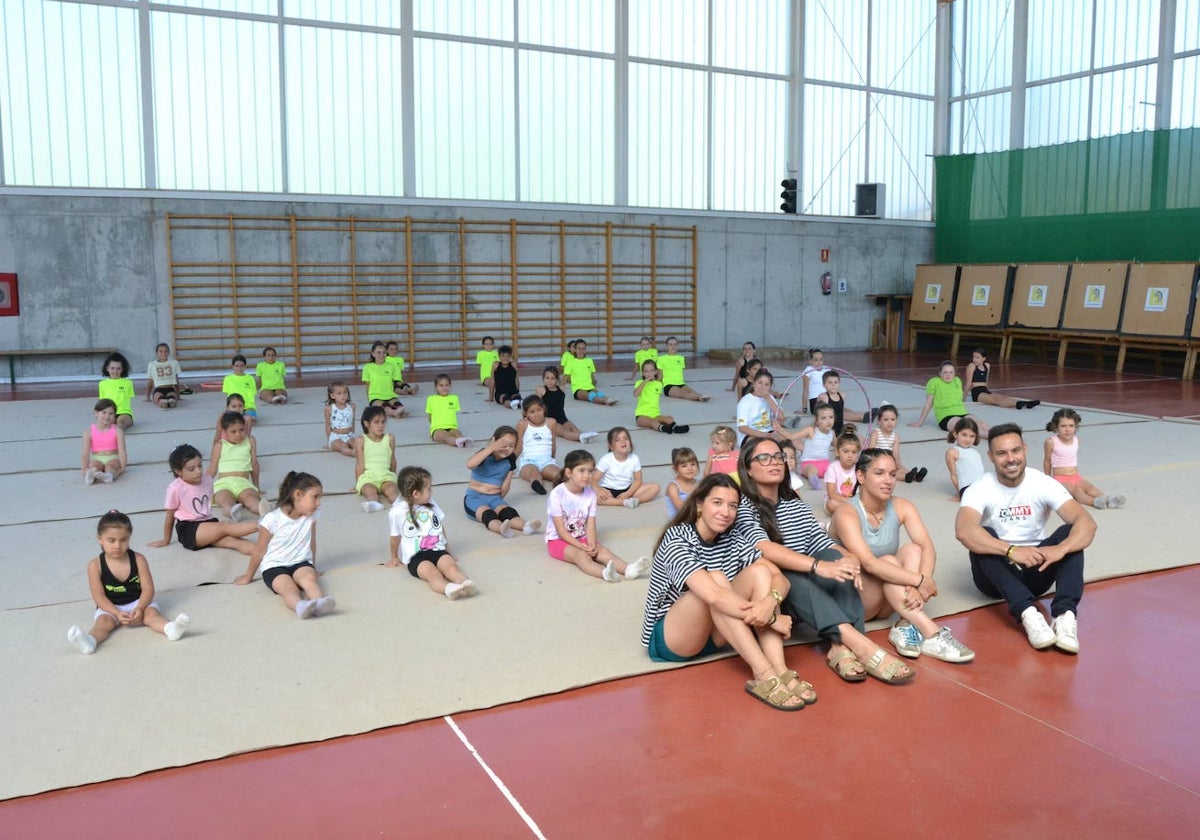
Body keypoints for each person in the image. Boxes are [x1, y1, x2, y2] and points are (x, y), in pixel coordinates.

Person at [733, 437, 916, 685]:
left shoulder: (793, 504)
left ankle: (839, 647)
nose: (774, 463)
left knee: (836, 558)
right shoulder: (742, 506)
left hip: (807, 596)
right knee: (791, 572)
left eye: (778, 457)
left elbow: (820, 540)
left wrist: (847, 558)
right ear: (747, 468)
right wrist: (819, 566)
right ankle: (860, 644)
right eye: (763, 458)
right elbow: (765, 549)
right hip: (773, 597)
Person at [642, 473, 813, 711]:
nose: (726, 512)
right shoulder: (677, 538)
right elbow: (712, 595)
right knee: (716, 578)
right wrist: (772, 619)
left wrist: (769, 602)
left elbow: (780, 579)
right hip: (674, 639)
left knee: (761, 573)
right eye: (717, 503)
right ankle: (763, 673)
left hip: (718, 633)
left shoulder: (732, 538)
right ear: (699, 504)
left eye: (733, 506)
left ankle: (779, 668)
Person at [955, 423, 1096, 653]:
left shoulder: (1043, 483)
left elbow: (1087, 523)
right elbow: (964, 530)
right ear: (991, 457)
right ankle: (1029, 614)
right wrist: (1011, 550)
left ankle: (1064, 616)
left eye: (1015, 451)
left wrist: (1061, 549)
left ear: (1025, 450)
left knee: (1070, 533)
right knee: (982, 537)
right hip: (996, 576)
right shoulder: (980, 488)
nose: (1011, 459)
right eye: (1002, 453)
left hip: (1036, 569)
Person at [829, 449, 975, 663]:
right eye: (879, 473)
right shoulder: (846, 513)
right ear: (860, 476)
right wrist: (921, 581)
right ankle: (931, 632)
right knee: (887, 561)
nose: (888, 480)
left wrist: (919, 588)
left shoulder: (902, 505)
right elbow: (869, 564)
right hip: (858, 600)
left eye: (892, 474)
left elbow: (927, 547)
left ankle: (905, 624)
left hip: (892, 597)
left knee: (913, 550)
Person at [67, 510, 191, 655]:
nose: (118, 545)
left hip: (138, 602)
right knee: (103, 623)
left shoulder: (139, 559)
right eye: (111, 540)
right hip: (111, 606)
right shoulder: (95, 566)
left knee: (151, 615)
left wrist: (140, 607)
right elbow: (99, 597)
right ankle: (90, 641)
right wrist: (115, 612)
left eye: (123, 540)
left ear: (130, 538)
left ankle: (170, 629)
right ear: (100, 539)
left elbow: (148, 588)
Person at [235, 471, 336, 620]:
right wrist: (248, 576)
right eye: (315, 497)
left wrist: (312, 565)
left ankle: (319, 602)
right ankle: (299, 606)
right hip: (274, 567)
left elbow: (312, 541)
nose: (319, 503)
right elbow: (259, 550)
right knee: (288, 587)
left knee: (309, 579)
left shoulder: (311, 516)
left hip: (300, 562)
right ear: (298, 494)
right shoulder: (272, 519)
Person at [546, 449, 651, 581]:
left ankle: (628, 569)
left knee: (604, 551)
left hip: (581, 537)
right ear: (568, 472)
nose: (587, 475)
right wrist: (582, 547)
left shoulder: (590, 494)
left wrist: (591, 544)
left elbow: (590, 525)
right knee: (581, 556)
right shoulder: (557, 494)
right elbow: (561, 531)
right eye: (581, 470)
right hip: (558, 541)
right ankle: (605, 574)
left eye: (590, 471)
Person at [147, 444, 258, 555]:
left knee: (234, 542)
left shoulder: (207, 480)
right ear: (178, 471)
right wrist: (166, 540)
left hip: (208, 523)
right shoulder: (175, 488)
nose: (198, 471)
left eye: (200, 466)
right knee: (225, 526)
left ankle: (267, 554)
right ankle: (264, 524)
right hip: (189, 529)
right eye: (192, 469)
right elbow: (170, 516)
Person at [388, 466, 476, 599]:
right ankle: (448, 588)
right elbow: (395, 537)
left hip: (437, 550)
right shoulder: (397, 512)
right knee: (433, 574)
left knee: (451, 568)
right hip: (416, 557)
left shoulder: (431, 504)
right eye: (428, 488)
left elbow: (439, 528)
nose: (432, 491)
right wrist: (394, 558)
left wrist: (447, 550)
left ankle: (465, 583)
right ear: (416, 494)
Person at [465, 426, 542, 537]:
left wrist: (508, 477)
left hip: (495, 498)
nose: (507, 448)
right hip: (474, 498)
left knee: (506, 512)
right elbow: (470, 464)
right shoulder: (484, 455)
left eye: (511, 446)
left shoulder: (509, 461)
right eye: (503, 444)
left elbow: (505, 487)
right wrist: (491, 448)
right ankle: (501, 529)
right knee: (488, 514)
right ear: (494, 440)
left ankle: (526, 526)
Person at [1043, 408, 1127, 509]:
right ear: (1056, 427)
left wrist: (1076, 478)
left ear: (1076, 427)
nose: (1067, 429)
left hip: (1075, 476)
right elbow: (1047, 461)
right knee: (1077, 491)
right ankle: (1095, 502)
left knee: (1091, 488)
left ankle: (1111, 501)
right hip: (1060, 479)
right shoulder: (1051, 442)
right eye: (1063, 426)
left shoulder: (1076, 440)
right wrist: (1047, 480)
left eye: (1071, 426)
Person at [209, 411, 268, 521]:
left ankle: (264, 511)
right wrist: (201, 488)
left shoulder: (250, 441)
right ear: (224, 432)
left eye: (241, 430)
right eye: (233, 431)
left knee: (251, 499)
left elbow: (254, 464)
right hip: (224, 483)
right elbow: (212, 469)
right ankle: (232, 511)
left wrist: (257, 487)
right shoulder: (220, 445)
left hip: (243, 483)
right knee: (225, 500)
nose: (238, 434)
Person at [909, 360, 990, 438]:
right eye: (945, 372)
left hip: (962, 412)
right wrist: (919, 423)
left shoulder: (957, 380)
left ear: (954, 373)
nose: (948, 375)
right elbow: (928, 404)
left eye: (951, 372)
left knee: (980, 423)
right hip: (946, 416)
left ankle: (997, 434)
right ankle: (991, 436)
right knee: (966, 427)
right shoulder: (934, 382)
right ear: (940, 373)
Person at [593, 426, 660, 508]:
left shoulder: (634, 458)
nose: (623, 441)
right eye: (617, 440)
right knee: (594, 497)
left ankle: (636, 500)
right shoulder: (606, 459)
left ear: (630, 442)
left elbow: (638, 480)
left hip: (628, 489)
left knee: (655, 487)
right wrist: (599, 490)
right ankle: (623, 502)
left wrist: (628, 493)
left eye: (626, 438)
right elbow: (594, 479)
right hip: (608, 490)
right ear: (611, 446)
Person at [777, 403, 835, 491]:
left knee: (833, 469)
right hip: (809, 463)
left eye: (831, 417)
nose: (828, 421)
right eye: (824, 418)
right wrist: (779, 429)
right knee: (812, 471)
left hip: (825, 463)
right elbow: (792, 437)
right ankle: (815, 482)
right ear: (817, 420)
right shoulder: (811, 430)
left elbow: (837, 445)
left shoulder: (832, 432)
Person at [535, 366, 600, 443]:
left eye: (553, 378)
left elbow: (566, 377)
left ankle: (583, 435)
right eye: (547, 378)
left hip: (562, 418)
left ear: (557, 380)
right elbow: (535, 405)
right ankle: (580, 437)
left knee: (573, 428)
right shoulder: (541, 390)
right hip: (548, 419)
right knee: (563, 431)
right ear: (543, 379)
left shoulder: (561, 389)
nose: (549, 381)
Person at [354, 405, 399, 512]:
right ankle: (374, 504)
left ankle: (399, 504)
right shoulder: (361, 440)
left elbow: (392, 460)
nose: (380, 426)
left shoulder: (390, 438)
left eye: (383, 422)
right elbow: (359, 464)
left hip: (385, 475)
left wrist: (393, 477)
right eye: (376, 422)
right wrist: (358, 483)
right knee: (369, 490)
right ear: (367, 424)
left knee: (391, 490)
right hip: (368, 476)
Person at [867, 403, 926, 483]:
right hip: (877, 461)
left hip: (889, 460)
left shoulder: (895, 436)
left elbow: (896, 453)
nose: (889, 422)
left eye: (892, 419)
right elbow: (871, 451)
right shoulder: (876, 433)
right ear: (879, 421)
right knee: (890, 471)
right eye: (886, 420)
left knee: (900, 467)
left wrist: (898, 462)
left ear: (896, 420)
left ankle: (916, 476)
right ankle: (905, 477)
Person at [965, 348, 1040, 410]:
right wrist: (963, 399)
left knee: (1002, 397)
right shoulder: (972, 366)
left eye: (977, 357)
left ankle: (1026, 403)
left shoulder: (987, 365)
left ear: (984, 358)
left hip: (984, 390)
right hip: (977, 393)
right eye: (973, 357)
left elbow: (986, 381)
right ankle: (1017, 404)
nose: (974, 359)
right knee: (995, 400)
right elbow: (968, 383)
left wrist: (987, 391)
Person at [515, 395, 558, 495]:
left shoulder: (551, 422)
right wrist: (510, 464)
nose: (536, 414)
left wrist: (552, 461)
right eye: (532, 412)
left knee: (559, 474)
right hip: (528, 461)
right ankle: (537, 484)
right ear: (526, 414)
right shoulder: (522, 424)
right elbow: (519, 446)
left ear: (544, 409)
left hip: (547, 461)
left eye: (539, 410)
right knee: (534, 474)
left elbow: (553, 444)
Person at [634, 359, 690, 434]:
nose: (649, 373)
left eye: (651, 370)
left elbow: (660, 377)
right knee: (652, 422)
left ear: (655, 372)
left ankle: (675, 428)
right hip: (641, 416)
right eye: (646, 371)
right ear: (643, 373)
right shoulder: (639, 383)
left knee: (669, 418)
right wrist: (644, 382)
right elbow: (635, 394)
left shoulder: (658, 384)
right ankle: (663, 428)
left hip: (655, 415)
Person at [814, 370, 875, 434]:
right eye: (830, 382)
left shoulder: (842, 396)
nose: (833, 385)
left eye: (836, 382)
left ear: (839, 383)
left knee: (858, 438)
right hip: (829, 429)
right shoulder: (823, 397)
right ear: (824, 385)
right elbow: (817, 413)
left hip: (840, 427)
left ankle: (869, 414)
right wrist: (816, 427)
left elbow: (839, 410)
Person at [81, 398, 126, 485]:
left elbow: (122, 450)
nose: (107, 416)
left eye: (111, 413)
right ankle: (91, 475)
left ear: (114, 416)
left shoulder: (118, 431)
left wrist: (122, 467)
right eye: (104, 412)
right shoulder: (88, 432)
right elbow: (85, 452)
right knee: (94, 466)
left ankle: (109, 476)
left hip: (113, 457)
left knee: (110, 467)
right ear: (96, 413)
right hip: (97, 457)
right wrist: (84, 468)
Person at [735, 369, 784, 446]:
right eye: (760, 383)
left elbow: (781, 418)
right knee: (764, 444)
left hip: (769, 431)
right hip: (750, 434)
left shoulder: (770, 398)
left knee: (791, 440)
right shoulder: (745, 401)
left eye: (766, 384)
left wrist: (768, 399)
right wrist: (762, 435)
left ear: (770, 387)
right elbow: (742, 427)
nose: (762, 387)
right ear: (754, 383)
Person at [656, 336, 710, 402]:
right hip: (669, 386)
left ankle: (698, 396)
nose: (673, 346)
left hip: (681, 384)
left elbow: (679, 373)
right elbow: (660, 376)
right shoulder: (661, 359)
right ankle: (699, 397)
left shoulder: (681, 358)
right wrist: (656, 389)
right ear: (666, 346)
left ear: (678, 346)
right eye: (670, 344)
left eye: (675, 344)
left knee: (693, 392)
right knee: (683, 394)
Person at [822, 425, 861, 516]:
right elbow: (831, 494)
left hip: (854, 502)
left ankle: (852, 513)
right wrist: (851, 502)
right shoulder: (833, 468)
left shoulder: (859, 468)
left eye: (854, 452)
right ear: (837, 451)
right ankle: (854, 514)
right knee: (831, 504)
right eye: (846, 451)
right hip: (837, 501)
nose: (850, 455)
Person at [425, 373, 472, 448]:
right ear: (436, 387)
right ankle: (456, 442)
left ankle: (463, 440)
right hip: (437, 428)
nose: (444, 388)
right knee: (446, 436)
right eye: (441, 385)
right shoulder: (431, 399)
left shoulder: (454, 398)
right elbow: (430, 416)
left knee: (457, 433)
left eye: (447, 385)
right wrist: (433, 428)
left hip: (452, 427)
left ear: (450, 386)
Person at [363, 341, 408, 418]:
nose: (381, 355)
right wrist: (370, 400)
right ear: (373, 354)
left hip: (390, 396)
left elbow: (395, 382)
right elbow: (368, 385)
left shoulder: (391, 366)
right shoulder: (367, 367)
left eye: (383, 352)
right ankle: (394, 413)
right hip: (376, 396)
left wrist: (402, 389)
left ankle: (397, 412)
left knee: (398, 405)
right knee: (385, 406)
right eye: (379, 353)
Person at [945, 417, 984, 500]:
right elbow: (953, 475)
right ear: (955, 434)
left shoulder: (975, 452)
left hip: (981, 485)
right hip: (968, 489)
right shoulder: (952, 452)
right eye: (964, 435)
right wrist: (960, 494)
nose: (968, 439)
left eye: (972, 436)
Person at [569, 340, 618, 405]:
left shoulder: (589, 361)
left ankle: (606, 399)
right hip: (578, 389)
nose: (581, 351)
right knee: (591, 396)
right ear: (575, 350)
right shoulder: (571, 363)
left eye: (583, 348)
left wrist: (594, 385)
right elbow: (565, 377)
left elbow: (592, 376)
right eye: (579, 348)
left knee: (600, 394)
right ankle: (605, 401)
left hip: (590, 387)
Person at [98, 352, 135, 430]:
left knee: (120, 423)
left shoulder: (128, 383)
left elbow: (126, 400)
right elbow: (103, 402)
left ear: (122, 369)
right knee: (105, 424)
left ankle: (116, 434)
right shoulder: (102, 384)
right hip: (109, 413)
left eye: (118, 368)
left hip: (124, 413)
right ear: (107, 368)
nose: (115, 371)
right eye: (112, 368)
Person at [222, 354, 258, 433]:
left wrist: (248, 407)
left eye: (242, 366)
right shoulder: (228, 379)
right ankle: (239, 419)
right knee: (225, 421)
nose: (239, 368)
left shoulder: (250, 378)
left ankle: (241, 419)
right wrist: (231, 407)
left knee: (252, 421)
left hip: (248, 407)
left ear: (245, 366)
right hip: (233, 406)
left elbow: (252, 395)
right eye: (237, 366)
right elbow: (228, 395)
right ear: (233, 366)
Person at [324, 381, 357, 457]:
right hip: (336, 436)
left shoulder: (352, 407)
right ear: (332, 396)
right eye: (339, 393)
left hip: (349, 435)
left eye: (345, 392)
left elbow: (353, 422)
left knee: (357, 444)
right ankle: (352, 453)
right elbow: (328, 425)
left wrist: (352, 435)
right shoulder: (329, 408)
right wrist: (329, 441)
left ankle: (357, 451)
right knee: (343, 446)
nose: (343, 396)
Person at [146, 342, 183, 409]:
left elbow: (176, 380)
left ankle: (171, 400)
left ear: (168, 352)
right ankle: (163, 401)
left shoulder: (174, 363)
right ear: (157, 353)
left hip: (170, 388)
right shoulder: (152, 364)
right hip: (158, 389)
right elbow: (150, 381)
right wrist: (148, 396)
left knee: (172, 401)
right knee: (162, 402)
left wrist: (178, 396)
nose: (163, 353)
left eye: (166, 351)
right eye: (161, 351)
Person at [665, 446, 699, 518]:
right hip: (679, 522)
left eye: (693, 464)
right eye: (684, 466)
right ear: (675, 469)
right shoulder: (673, 486)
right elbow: (682, 509)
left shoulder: (698, 484)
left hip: (696, 517)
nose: (690, 468)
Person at [799, 348, 831, 415]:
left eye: (821, 359)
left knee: (838, 408)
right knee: (829, 412)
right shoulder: (808, 371)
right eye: (816, 360)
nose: (819, 362)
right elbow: (805, 390)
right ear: (810, 361)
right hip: (816, 400)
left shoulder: (827, 369)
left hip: (828, 397)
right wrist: (804, 409)